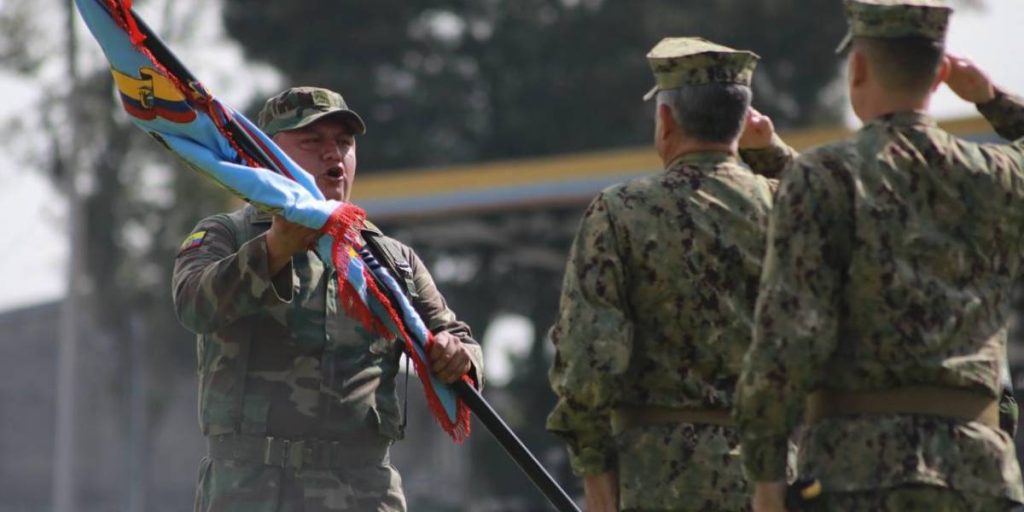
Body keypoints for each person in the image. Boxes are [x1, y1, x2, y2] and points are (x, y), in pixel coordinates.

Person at [733, 1, 1024, 510]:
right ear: (940, 76)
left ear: (859, 68)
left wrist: (766, 473)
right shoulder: (1000, 177)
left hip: (856, 474)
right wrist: (992, 98)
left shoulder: (823, 176)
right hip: (977, 474)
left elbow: (787, 338)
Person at [172, 86, 483, 512]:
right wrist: (273, 250)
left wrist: (460, 356)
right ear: (266, 154)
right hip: (250, 491)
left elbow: (456, 339)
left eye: (344, 143)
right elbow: (193, 305)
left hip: (363, 493)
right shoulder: (228, 235)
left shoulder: (391, 261)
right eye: (312, 142)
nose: (333, 155)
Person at [546, 37, 784, 511]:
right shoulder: (788, 205)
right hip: (775, 476)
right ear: (742, 121)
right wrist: (773, 154)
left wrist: (597, 487)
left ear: (667, 120)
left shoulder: (620, 212)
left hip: (657, 480)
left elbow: (590, 364)